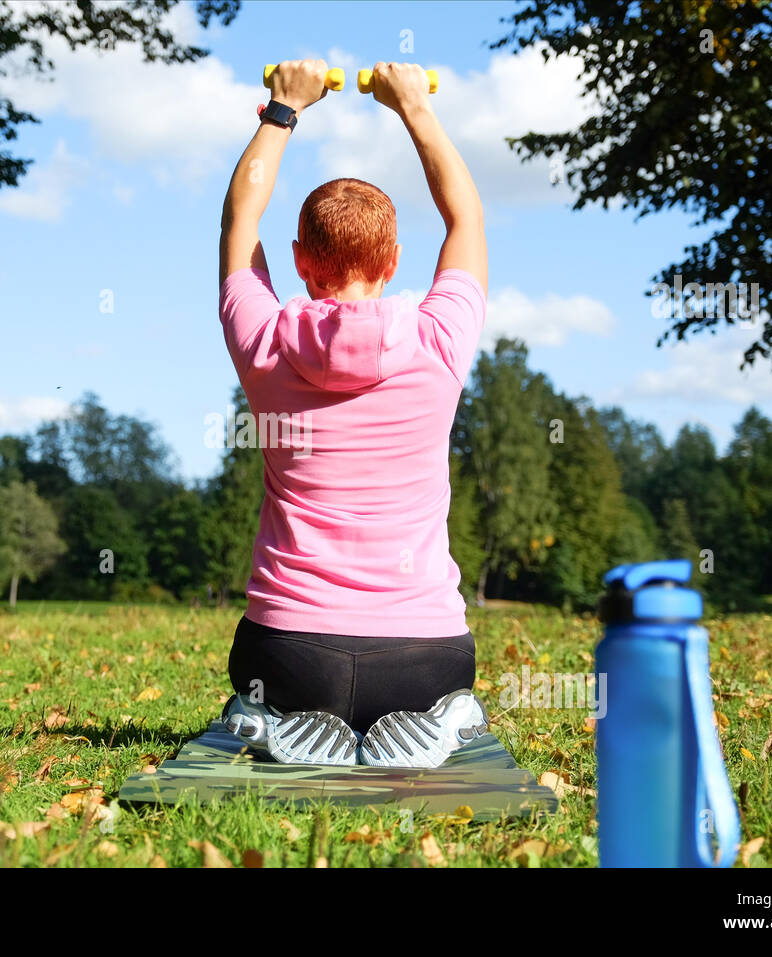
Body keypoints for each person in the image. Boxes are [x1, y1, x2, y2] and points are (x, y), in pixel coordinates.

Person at [217, 60, 490, 768]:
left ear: (302, 261)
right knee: (450, 693)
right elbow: (466, 217)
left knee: (256, 682)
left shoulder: (266, 341)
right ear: (395, 261)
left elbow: (240, 218)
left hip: (289, 654)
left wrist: (284, 108)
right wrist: (413, 106)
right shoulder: (438, 341)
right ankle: (439, 717)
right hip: (425, 659)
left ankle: (273, 713)